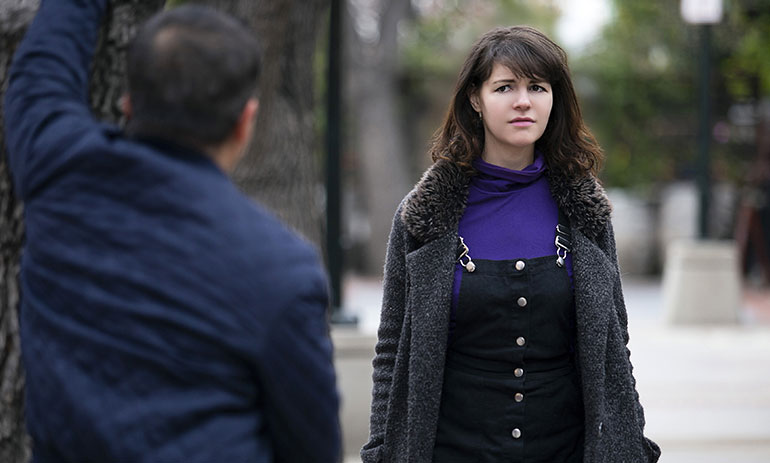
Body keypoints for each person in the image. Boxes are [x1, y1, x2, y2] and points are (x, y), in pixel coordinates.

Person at [4, 1, 340, 462]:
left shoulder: (59, 170)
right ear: (245, 122)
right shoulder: (281, 269)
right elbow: (311, 447)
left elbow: (41, 71)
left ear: (127, 105)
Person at [361, 26, 660, 463]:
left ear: (554, 99)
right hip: (452, 449)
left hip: (565, 449)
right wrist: (381, 450)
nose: (524, 101)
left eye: (537, 87)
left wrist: (630, 443)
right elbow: (391, 350)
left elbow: (616, 344)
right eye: (505, 87)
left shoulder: (586, 211)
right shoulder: (424, 215)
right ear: (475, 99)